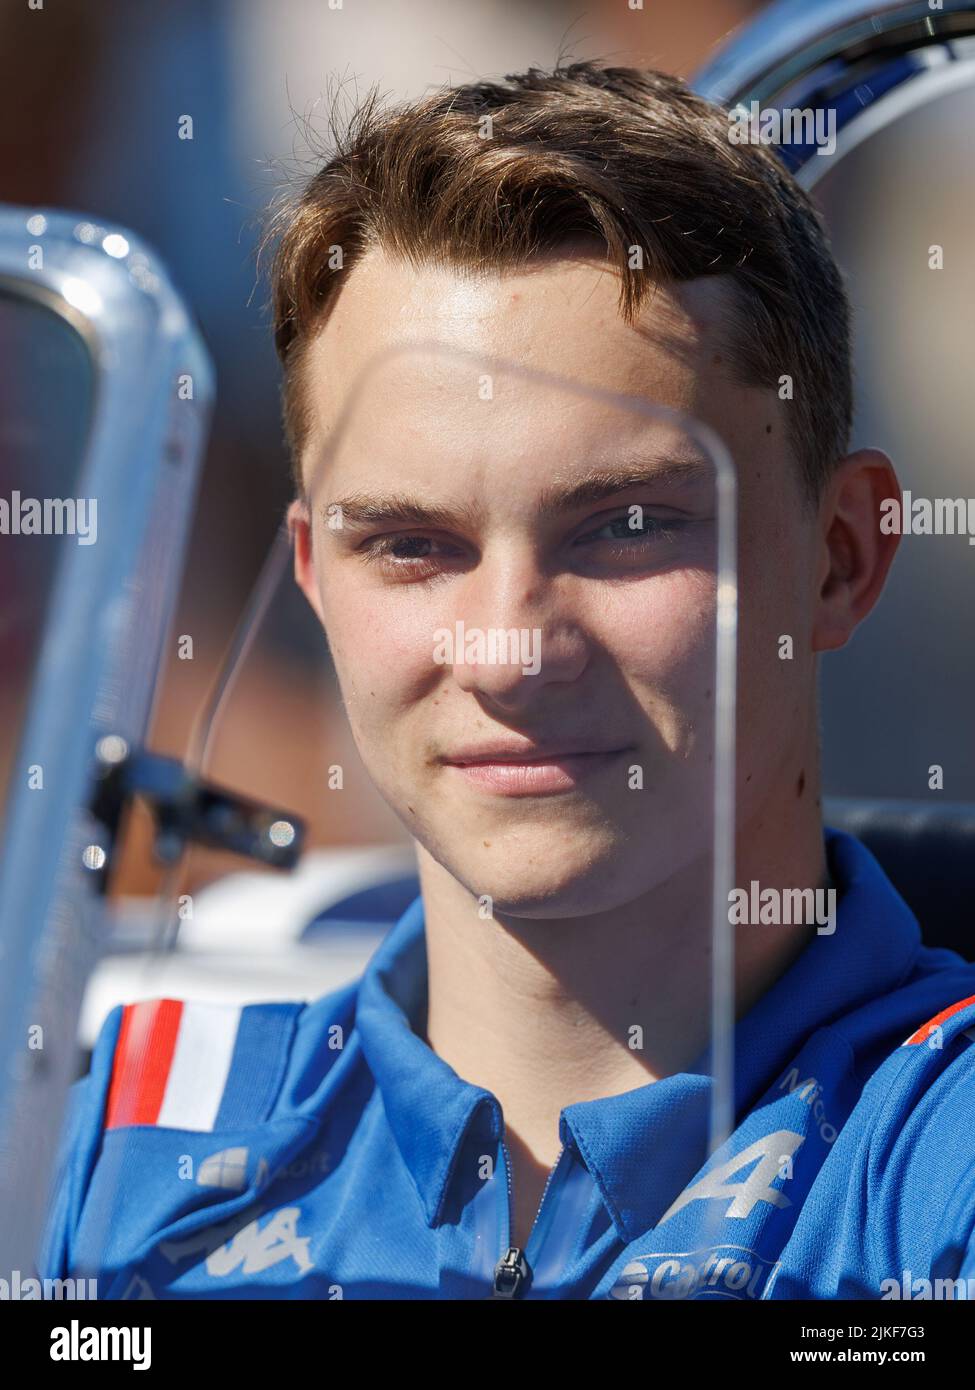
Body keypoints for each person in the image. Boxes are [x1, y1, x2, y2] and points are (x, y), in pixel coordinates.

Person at [39, 60, 975, 1300]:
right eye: (411, 544)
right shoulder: (105, 1150)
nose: (507, 649)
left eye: (628, 525)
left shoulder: (935, 1161)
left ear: (840, 557)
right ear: (315, 574)